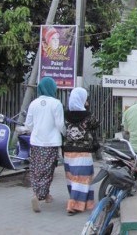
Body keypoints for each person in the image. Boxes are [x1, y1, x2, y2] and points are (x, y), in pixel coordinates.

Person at [25, 77, 65, 213]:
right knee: (47, 170)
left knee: (36, 170)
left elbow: (28, 125)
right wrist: (65, 134)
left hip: (36, 141)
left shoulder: (33, 103)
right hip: (51, 142)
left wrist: (36, 131)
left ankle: (45, 195)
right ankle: (38, 196)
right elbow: (60, 124)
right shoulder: (56, 103)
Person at [63, 87, 99, 216]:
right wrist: (87, 108)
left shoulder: (65, 115)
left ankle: (85, 202)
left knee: (73, 178)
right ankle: (73, 206)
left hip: (68, 152)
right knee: (83, 178)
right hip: (83, 152)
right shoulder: (88, 116)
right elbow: (96, 125)